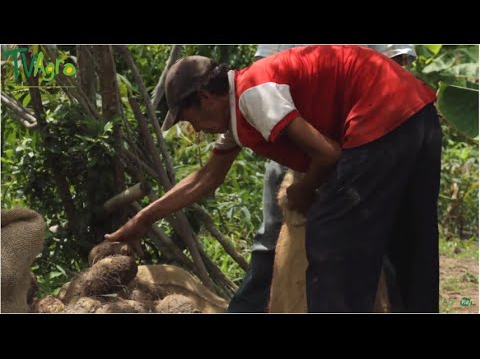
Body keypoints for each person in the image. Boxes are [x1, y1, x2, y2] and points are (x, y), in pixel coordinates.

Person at [105, 45, 441, 312]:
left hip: (381, 115)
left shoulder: (255, 94)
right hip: (418, 114)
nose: (193, 129)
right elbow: (206, 177)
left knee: (331, 239)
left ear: (205, 98)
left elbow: (327, 154)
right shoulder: (243, 106)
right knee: (409, 241)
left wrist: (301, 190)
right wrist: (141, 220)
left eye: (188, 118)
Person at [228, 44, 418, 313]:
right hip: (296, 139)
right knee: (270, 240)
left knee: (371, 235)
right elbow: (265, 73)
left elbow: (393, 68)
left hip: (358, 141)